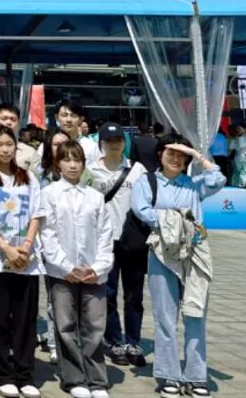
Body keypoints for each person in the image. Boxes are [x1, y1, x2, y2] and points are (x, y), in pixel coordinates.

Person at [131, 134, 225, 397]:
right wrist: (176, 223)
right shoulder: (147, 182)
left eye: (181, 155)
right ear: (160, 154)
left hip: (195, 253)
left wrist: (197, 156)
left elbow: (218, 179)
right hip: (162, 252)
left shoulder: (194, 185)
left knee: (196, 313)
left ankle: (196, 376)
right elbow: (142, 210)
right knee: (165, 316)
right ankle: (169, 375)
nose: (175, 159)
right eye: (170, 153)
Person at [39, 141, 114, 398]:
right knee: (65, 325)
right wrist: (66, 266)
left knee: (94, 326)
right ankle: (73, 379)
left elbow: (105, 235)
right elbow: (47, 234)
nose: (72, 165)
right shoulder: (49, 194)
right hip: (62, 272)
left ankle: (97, 380)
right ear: (58, 163)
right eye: (67, 159)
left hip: (94, 272)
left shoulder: (95, 196)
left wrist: (98, 266)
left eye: (77, 160)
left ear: (84, 164)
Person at [0, 124, 44, 398]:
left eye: (9, 144)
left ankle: (24, 373)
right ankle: (2, 374)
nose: (5, 150)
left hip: (26, 259)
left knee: (25, 320)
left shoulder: (28, 177)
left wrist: (26, 245)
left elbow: (37, 213)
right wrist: (4, 246)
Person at [88, 123, 149, 368]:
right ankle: (114, 341)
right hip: (104, 241)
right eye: (109, 140)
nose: (115, 144)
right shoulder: (91, 170)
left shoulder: (137, 169)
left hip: (133, 242)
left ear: (125, 142)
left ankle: (133, 341)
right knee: (109, 293)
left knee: (134, 295)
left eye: (119, 140)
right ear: (101, 143)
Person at [0, 103, 39, 173]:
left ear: (18, 124)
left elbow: (39, 177)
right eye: (4, 119)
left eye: (13, 119)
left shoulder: (30, 152)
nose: (9, 122)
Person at [55, 99, 101, 167]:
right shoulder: (48, 145)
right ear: (57, 117)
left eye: (73, 115)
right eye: (64, 115)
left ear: (81, 119)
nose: (69, 120)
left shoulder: (91, 146)